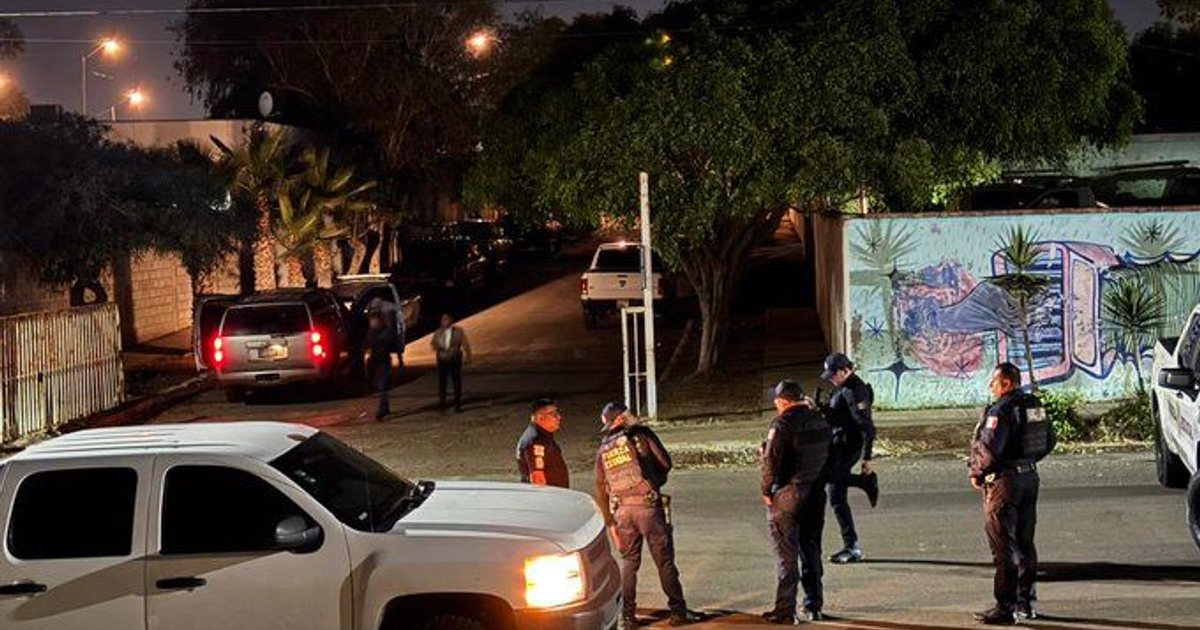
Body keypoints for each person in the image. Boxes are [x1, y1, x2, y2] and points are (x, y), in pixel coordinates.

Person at [594, 402, 702, 629]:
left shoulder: (604, 448)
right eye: (629, 413)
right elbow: (665, 462)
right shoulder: (642, 435)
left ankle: (628, 617)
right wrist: (655, 480)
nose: (633, 416)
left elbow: (600, 486)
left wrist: (609, 521)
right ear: (622, 418)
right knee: (664, 561)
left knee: (629, 562)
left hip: (622, 511)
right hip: (648, 508)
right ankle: (678, 612)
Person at [970, 362, 1054, 625]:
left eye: (994, 382)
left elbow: (990, 448)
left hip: (1005, 483)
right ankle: (1025, 601)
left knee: (1004, 545)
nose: (990, 386)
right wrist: (1027, 460)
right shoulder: (1033, 404)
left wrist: (976, 472)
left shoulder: (1001, 410)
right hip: (1029, 477)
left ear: (1006, 383)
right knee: (1025, 541)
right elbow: (1049, 440)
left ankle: (1005, 608)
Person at [761, 380, 831, 624]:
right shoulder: (821, 420)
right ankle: (814, 605)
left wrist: (766, 491)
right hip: (816, 494)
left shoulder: (782, 424)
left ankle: (785, 611)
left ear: (783, 401)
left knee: (786, 554)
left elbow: (771, 462)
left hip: (789, 494)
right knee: (811, 550)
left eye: (777, 401)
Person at [821, 352, 880, 564]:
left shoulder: (855, 390)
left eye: (833, 374)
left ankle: (865, 482)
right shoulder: (844, 387)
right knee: (835, 495)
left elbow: (867, 426)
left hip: (848, 447)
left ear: (846, 370)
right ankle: (851, 545)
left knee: (831, 484)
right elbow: (841, 415)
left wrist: (867, 458)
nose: (831, 379)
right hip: (840, 444)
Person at [517, 398, 569, 488]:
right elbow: (537, 477)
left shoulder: (542, 435)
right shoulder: (536, 440)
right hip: (549, 497)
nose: (559, 417)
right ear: (540, 417)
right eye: (554, 414)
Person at [362, 309, 399, 421]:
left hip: (384, 363)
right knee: (381, 388)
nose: (372, 322)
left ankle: (382, 411)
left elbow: (391, 344)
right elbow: (365, 346)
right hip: (375, 363)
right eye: (371, 320)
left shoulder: (387, 331)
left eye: (374, 320)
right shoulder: (370, 332)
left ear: (379, 320)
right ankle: (386, 408)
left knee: (383, 386)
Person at [430, 313, 470, 412]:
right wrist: (437, 346)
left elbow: (465, 343)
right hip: (442, 360)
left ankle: (458, 405)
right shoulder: (438, 332)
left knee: (456, 381)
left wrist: (468, 355)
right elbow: (433, 344)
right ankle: (442, 406)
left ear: (451, 320)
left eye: (446, 319)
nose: (444, 321)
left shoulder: (459, 331)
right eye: (443, 319)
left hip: (455, 359)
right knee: (442, 383)